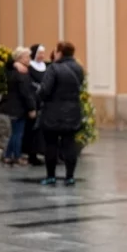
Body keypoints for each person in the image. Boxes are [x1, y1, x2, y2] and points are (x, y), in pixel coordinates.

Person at [38, 41, 85, 186]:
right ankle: (69, 177)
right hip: (72, 111)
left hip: (53, 112)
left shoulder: (53, 68)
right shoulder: (78, 68)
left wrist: (39, 94)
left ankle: (51, 176)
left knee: (51, 144)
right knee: (70, 144)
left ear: (59, 52)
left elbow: (45, 90)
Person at [0, 47, 37, 166]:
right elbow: (26, 93)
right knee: (18, 133)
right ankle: (17, 156)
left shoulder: (13, 71)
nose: (29, 59)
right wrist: (32, 108)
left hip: (13, 106)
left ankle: (8, 156)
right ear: (20, 58)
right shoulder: (21, 73)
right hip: (19, 107)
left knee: (15, 132)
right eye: (27, 57)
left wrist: (14, 64)